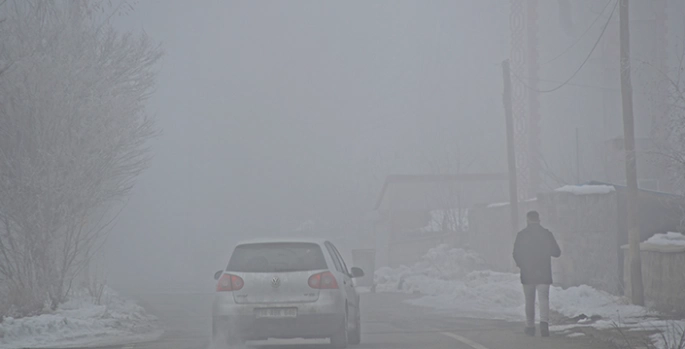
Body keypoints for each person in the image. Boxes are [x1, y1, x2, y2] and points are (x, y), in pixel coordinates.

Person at [513, 210, 561, 337]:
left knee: (529, 300)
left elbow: (516, 253)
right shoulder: (546, 234)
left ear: (528, 220)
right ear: (539, 220)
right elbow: (557, 252)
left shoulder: (522, 235)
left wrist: (521, 264)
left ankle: (530, 326)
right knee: (543, 298)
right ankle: (544, 325)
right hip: (544, 272)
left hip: (527, 272)